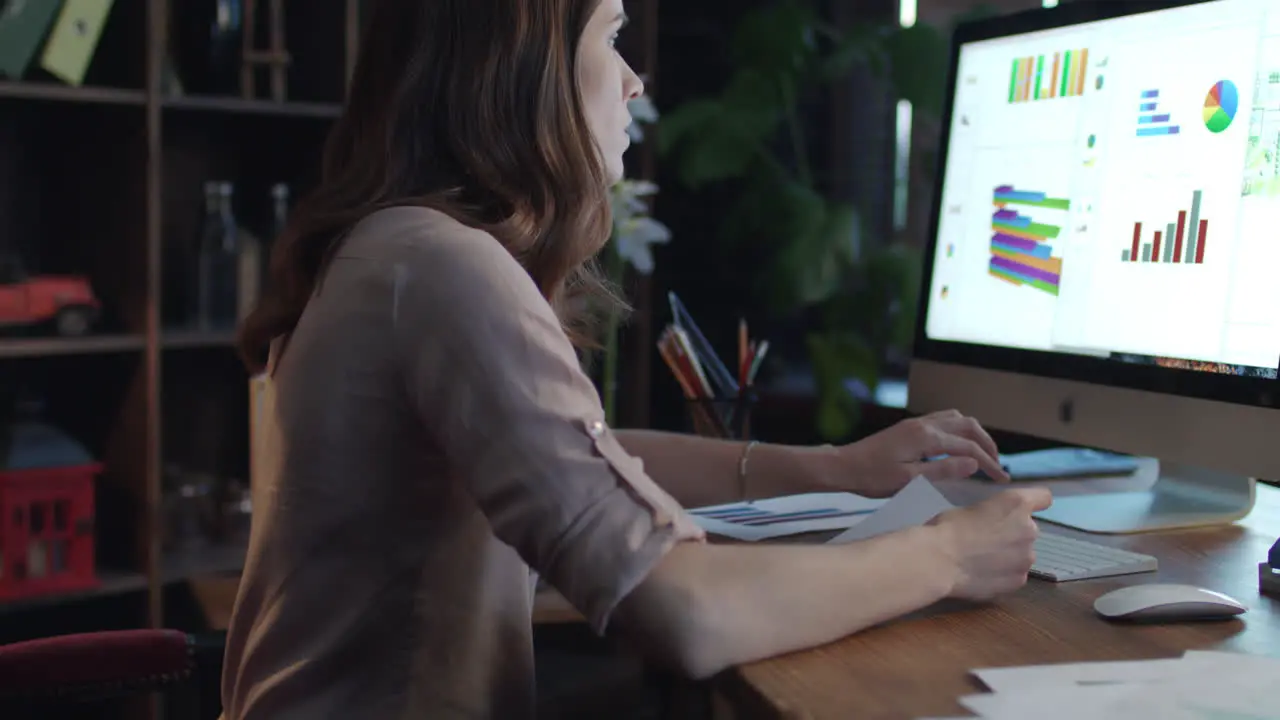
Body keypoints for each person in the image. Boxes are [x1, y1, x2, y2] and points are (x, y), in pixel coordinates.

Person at [219, 0, 1052, 717]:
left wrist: (831, 468)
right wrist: (944, 555)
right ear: (524, 67)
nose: (633, 81)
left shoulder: (392, 249)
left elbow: (585, 457)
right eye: (610, 37)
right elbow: (688, 615)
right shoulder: (442, 267)